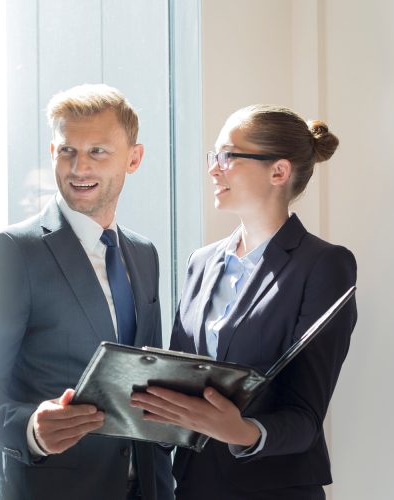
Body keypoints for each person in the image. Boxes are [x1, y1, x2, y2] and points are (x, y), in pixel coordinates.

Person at [0, 84, 173, 500]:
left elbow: (145, 384)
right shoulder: (8, 252)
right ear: (53, 152)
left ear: (134, 158)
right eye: (67, 150)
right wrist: (32, 430)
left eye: (97, 152)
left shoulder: (144, 254)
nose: (79, 167)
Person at [130, 104, 357, 499]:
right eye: (213, 156)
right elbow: (180, 380)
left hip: (274, 490)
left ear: (278, 172)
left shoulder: (324, 265)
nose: (213, 169)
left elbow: (305, 417)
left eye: (227, 156)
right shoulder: (201, 263)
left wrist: (242, 432)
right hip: (195, 486)